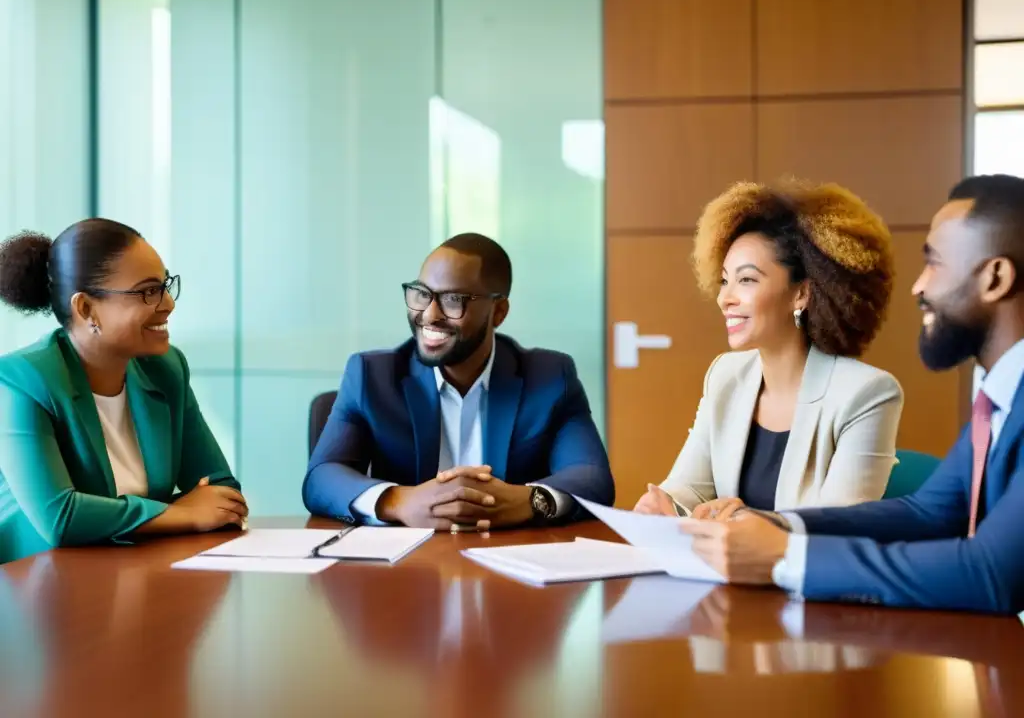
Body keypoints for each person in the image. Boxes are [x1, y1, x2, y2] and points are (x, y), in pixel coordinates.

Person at [680, 174, 1024, 614]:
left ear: (995, 277)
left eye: (935, 263)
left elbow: (990, 572)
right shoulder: (996, 403)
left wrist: (786, 555)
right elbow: (928, 514)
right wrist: (771, 523)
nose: (918, 287)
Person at [303, 232, 614, 530]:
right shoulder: (371, 375)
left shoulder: (549, 377)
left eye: (453, 299)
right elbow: (322, 477)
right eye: (422, 295)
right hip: (408, 570)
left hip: (513, 565)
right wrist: (399, 501)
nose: (429, 315)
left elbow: (592, 476)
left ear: (498, 312)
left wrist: (530, 500)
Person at [634, 180, 903, 520]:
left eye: (746, 280)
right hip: (725, 569)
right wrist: (665, 504)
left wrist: (743, 518)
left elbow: (838, 526)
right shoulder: (726, 375)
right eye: (724, 280)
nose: (724, 298)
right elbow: (689, 486)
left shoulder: (866, 394)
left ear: (801, 294)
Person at [0, 219, 247, 563]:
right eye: (148, 291)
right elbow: (60, 518)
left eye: (165, 285)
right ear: (86, 308)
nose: (168, 304)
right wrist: (185, 512)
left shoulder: (166, 369)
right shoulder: (21, 380)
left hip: (135, 569)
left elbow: (223, 492)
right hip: (37, 581)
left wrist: (187, 511)